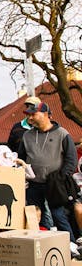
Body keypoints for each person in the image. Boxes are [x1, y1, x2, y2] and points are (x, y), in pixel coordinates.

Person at [17, 101, 79, 254]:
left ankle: (71, 245)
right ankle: (43, 248)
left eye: (33, 114)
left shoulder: (62, 133)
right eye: (29, 115)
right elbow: (21, 158)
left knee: (58, 215)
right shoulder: (27, 135)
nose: (30, 117)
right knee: (36, 217)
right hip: (33, 183)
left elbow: (71, 160)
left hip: (55, 183)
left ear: (45, 115)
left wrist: (60, 178)